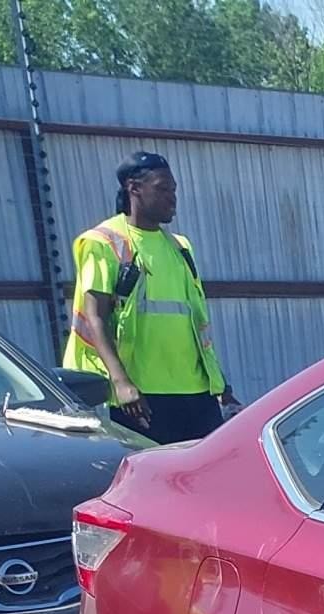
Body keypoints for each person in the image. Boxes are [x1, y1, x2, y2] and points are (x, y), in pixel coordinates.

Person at [61, 151, 233, 443]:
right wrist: (122, 383)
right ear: (134, 188)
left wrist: (218, 381)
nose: (172, 198)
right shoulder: (103, 242)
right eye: (162, 189)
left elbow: (195, 321)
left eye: (174, 190)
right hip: (140, 396)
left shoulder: (180, 247)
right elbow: (95, 317)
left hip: (194, 391)